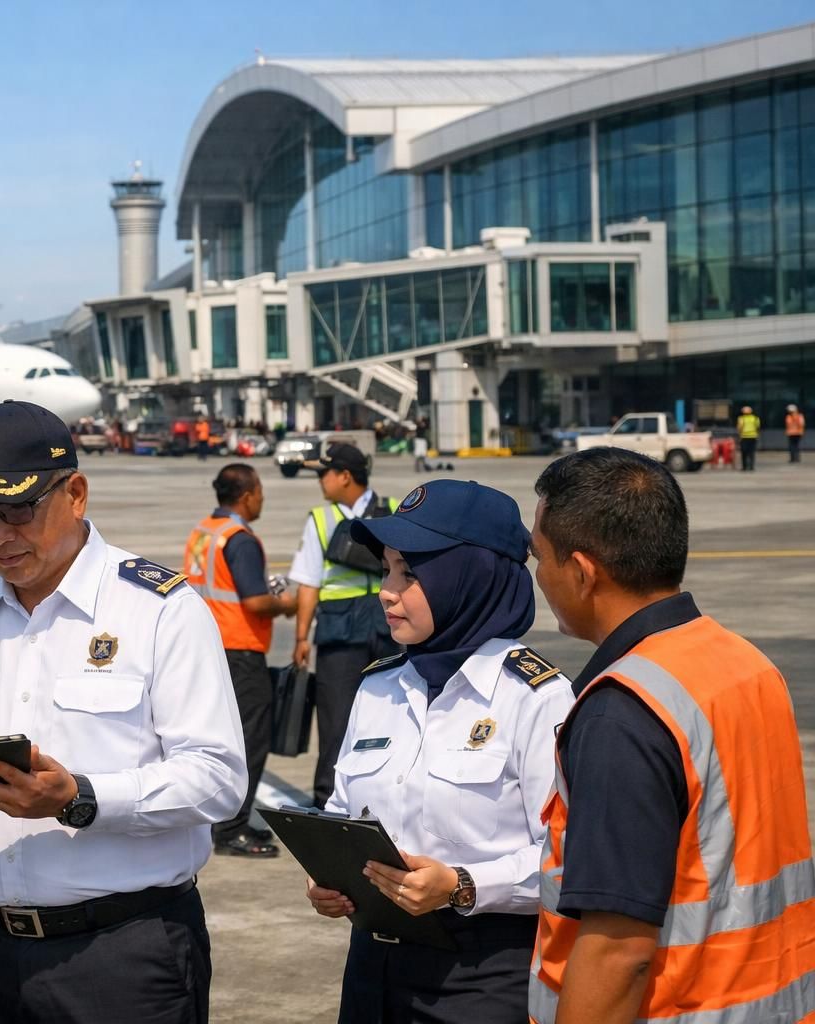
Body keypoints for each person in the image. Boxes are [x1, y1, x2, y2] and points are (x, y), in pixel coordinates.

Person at [0, 399, 246, 1023]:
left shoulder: (158, 609)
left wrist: (80, 798)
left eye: (18, 508)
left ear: (75, 494)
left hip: (122, 953)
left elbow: (218, 779)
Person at [527, 447, 815, 1023]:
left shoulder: (622, 713)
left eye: (540, 556)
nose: (539, 575)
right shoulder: (744, 662)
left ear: (582, 572)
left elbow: (618, 952)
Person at [305, 479, 575, 1022]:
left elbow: (569, 859)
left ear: (469, 576)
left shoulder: (536, 698)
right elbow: (342, 812)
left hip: (482, 976)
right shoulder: (378, 686)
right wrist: (328, 874)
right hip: (372, 968)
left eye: (409, 573)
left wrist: (462, 885)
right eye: (386, 570)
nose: (387, 591)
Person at [184, 463, 297, 858]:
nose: (262, 497)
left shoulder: (204, 532)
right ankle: (231, 830)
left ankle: (221, 821)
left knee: (214, 738)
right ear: (247, 495)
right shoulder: (240, 539)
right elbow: (255, 601)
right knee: (250, 740)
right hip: (240, 650)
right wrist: (287, 604)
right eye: (260, 490)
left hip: (208, 646)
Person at [287, 443, 399, 807]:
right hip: (340, 634)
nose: (321, 480)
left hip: (387, 627)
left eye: (325, 473)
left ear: (345, 476)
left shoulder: (394, 509)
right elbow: (309, 584)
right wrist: (302, 637)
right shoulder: (320, 519)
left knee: (393, 718)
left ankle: (384, 796)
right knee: (334, 724)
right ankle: (327, 800)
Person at [735, 404, 759, 471]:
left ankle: (744, 467)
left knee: (744, 453)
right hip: (753, 437)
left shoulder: (741, 418)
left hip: (744, 437)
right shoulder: (755, 418)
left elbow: (739, 428)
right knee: (752, 452)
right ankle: (751, 467)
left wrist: (739, 435)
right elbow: (757, 427)